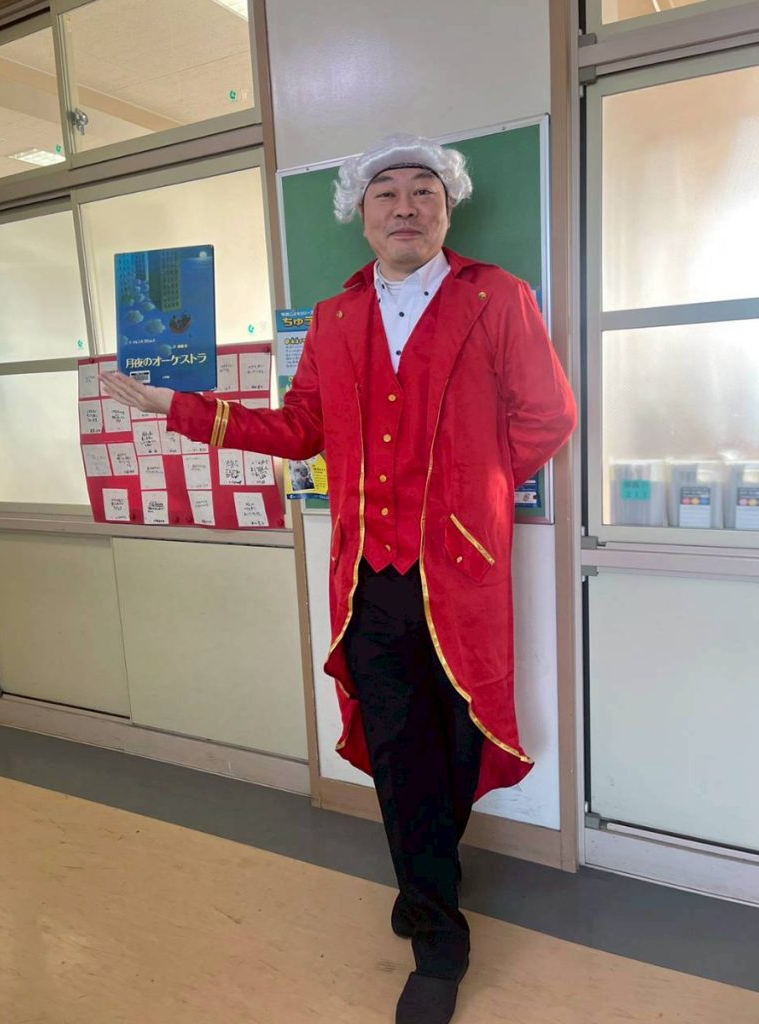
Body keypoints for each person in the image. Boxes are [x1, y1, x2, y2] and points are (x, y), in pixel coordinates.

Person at [101, 132, 577, 1024]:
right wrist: (183, 409)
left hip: (461, 572)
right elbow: (300, 430)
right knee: (397, 747)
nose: (406, 207)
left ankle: (427, 873)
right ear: (361, 215)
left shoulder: (497, 297)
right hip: (367, 578)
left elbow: (546, 416)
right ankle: (438, 936)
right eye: (386, 193)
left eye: (424, 191)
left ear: (448, 208)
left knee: (460, 738)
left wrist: (466, 494)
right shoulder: (333, 317)